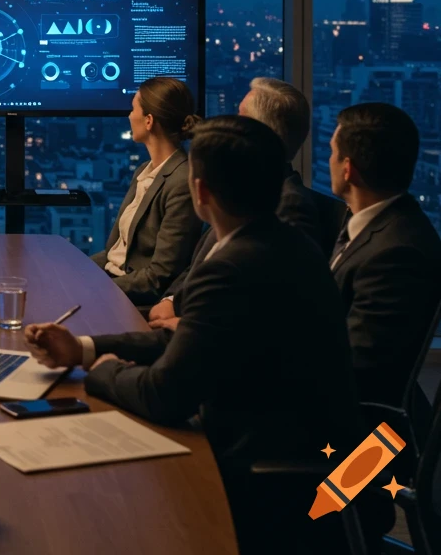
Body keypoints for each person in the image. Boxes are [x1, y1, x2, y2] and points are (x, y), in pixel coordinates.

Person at [27, 116, 360, 551]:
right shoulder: (288, 244)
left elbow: (165, 396)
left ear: (200, 193)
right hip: (307, 442)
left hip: (257, 464)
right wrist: (86, 349)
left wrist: (101, 372)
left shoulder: (229, 267)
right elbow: (191, 341)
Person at [149, 76, 340, 329]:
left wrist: (176, 312)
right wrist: (171, 299)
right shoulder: (245, 189)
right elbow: (201, 262)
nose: (230, 123)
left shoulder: (287, 205)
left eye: (239, 116)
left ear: (255, 131)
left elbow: (262, 305)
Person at [328, 102, 441, 410]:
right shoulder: (375, 226)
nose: (329, 161)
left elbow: (358, 369)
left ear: (348, 168)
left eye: (332, 152)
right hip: (342, 418)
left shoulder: (398, 253)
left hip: (366, 446)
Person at [88, 76, 204, 304]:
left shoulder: (181, 181)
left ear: (149, 121)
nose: (129, 116)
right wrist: (77, 272)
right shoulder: (144, 171)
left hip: (132, 300)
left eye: (133, 109)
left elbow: (159, 277)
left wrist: (96, 288)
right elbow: (115, 253)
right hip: (112, 284)